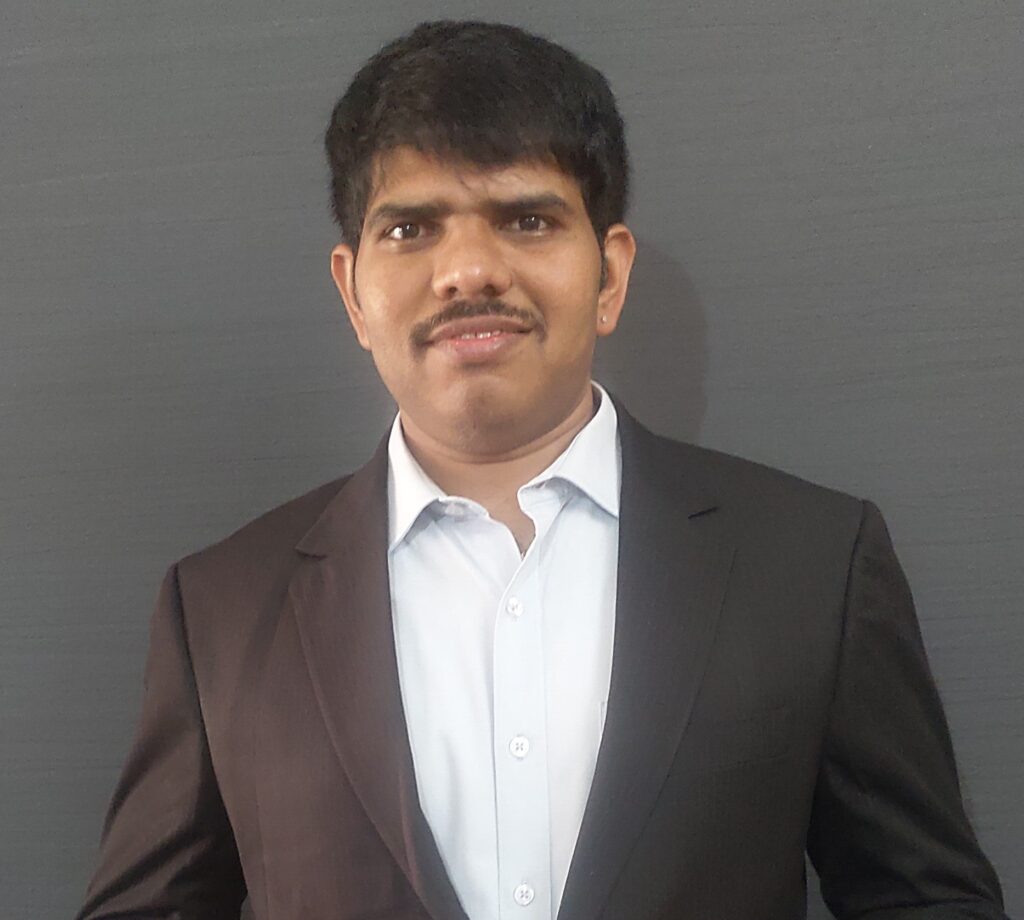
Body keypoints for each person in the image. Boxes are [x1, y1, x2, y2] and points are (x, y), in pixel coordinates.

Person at [76, 19, 1008, 920]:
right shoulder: (223, 609)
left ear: (609, 276)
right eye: (411, 230)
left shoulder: (811, 564)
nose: (468, 271)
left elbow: (926, 899)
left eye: (526, 219)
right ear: (352, 293)